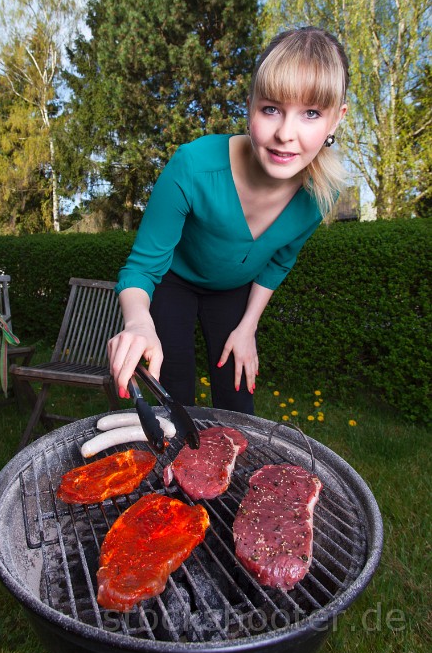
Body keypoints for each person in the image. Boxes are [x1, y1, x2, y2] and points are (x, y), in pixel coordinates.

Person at [108, 26, 349, 414]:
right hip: (174, 283)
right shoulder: (192, 166)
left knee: (238, 398)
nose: (286, 133)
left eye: (311, 113)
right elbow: (140, 269)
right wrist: (138, 322)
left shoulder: (320, 194)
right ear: (250, 103)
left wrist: (248, 326)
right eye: (271, 108)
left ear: (335, 120)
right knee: (173, 395)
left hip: (234, 293)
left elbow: (278, 262)